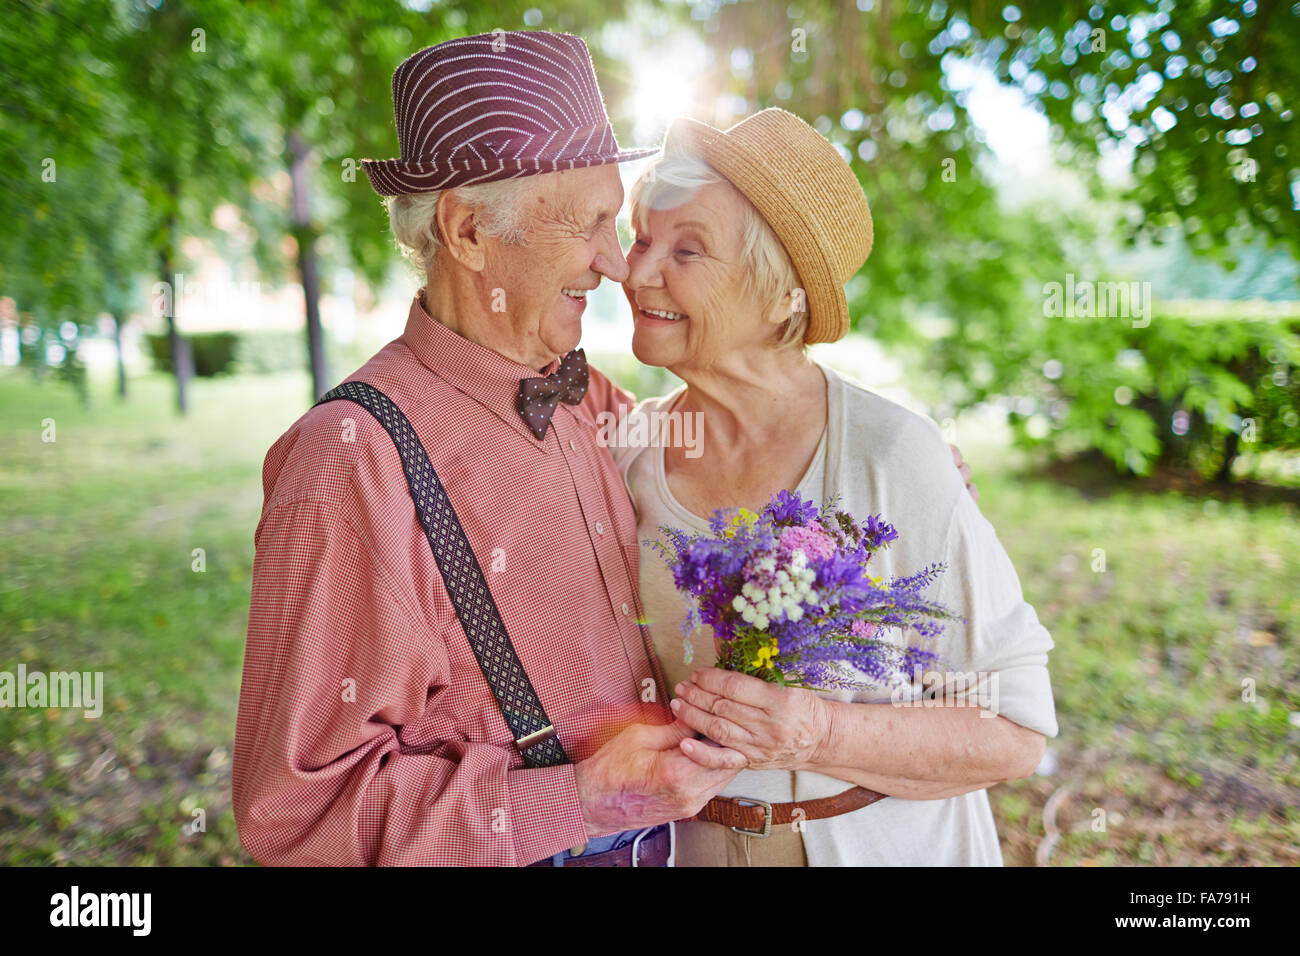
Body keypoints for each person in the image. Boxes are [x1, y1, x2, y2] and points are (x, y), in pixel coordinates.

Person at [231, 31, 753, 867]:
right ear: (469, 230)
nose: (618, 264)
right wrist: (575, 800)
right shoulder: (348, 460)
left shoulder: (582, 391)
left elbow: (713, 450)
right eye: (588, 224)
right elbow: (296, 814)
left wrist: (860, 448)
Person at [613, 108, 1059, 865]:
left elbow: (1015, 731)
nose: (636, 271)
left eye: (688, 250)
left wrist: (820, 732)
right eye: (643, 239)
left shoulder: (893, 454)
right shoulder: (625, 456)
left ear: (781, 293)